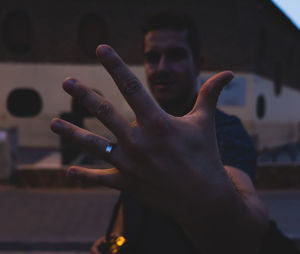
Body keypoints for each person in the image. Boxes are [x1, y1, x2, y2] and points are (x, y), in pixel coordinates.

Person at [51, 12, 270, 254]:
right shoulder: (140, 132)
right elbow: (132, 196)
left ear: (198, 63)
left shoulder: (223, 132)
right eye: (152, 57)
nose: (162, 67)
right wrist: (113, 240)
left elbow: (250, 226)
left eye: (175, 55)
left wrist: (204, 198)